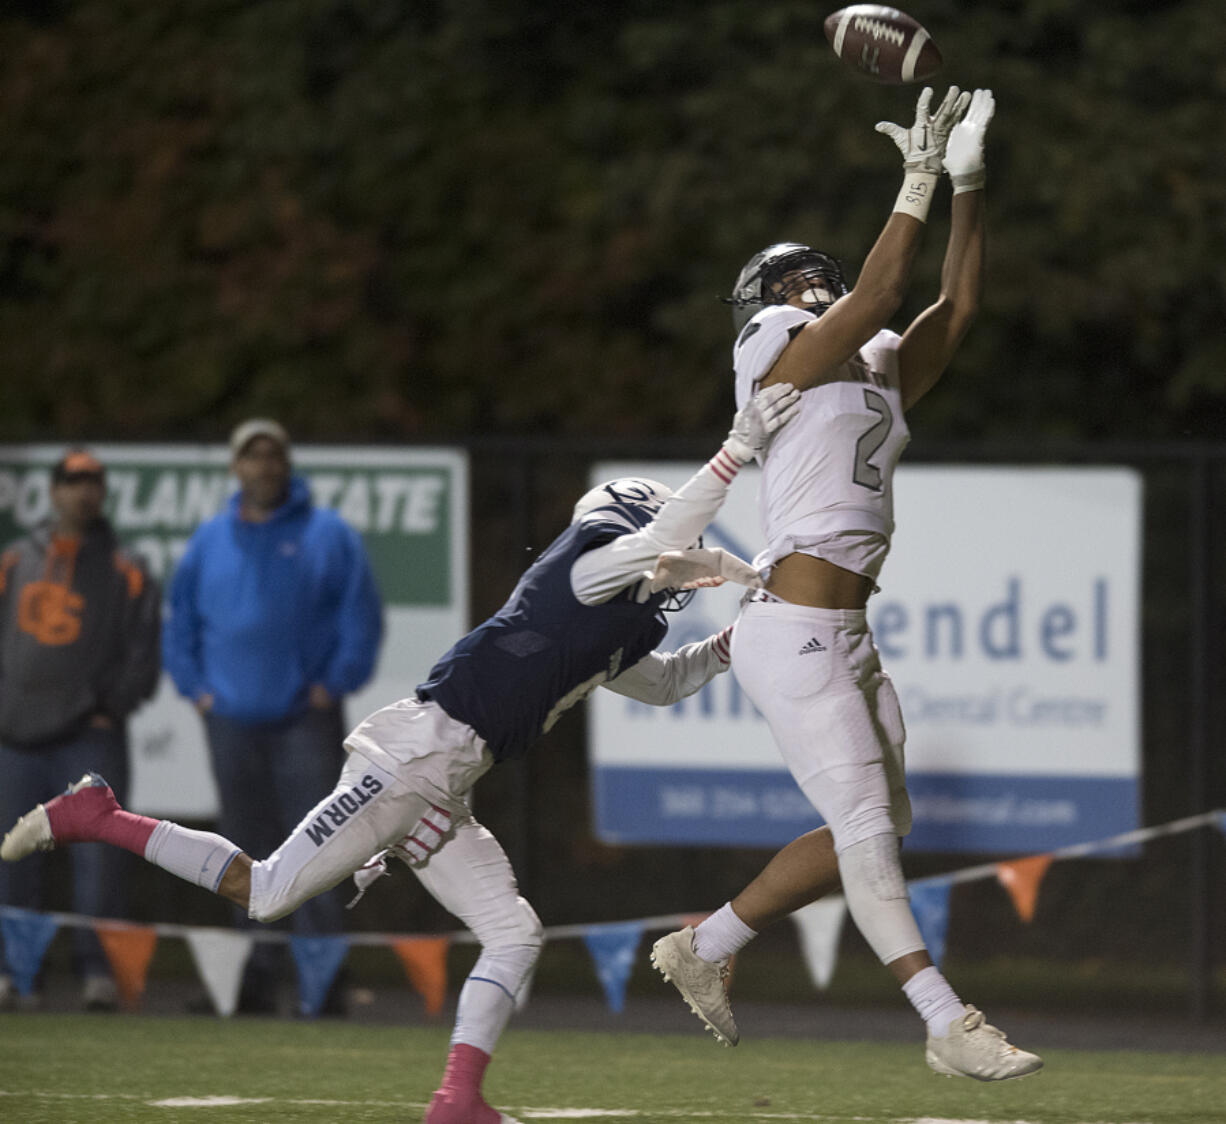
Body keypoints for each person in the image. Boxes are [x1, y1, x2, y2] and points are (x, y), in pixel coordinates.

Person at [1, 383, 801, 1124]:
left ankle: (459, 1098)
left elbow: (665, 683)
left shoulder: (618, 618)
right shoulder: (590, 570)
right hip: (414, 756)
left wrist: (737, 638)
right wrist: (736, 450)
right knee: (270, 891)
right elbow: (665, 539)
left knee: (515, 935)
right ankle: (96, 815)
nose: (682, 563)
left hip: (448, 778)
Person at [651, 88, 1043, 1082]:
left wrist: (965, 184)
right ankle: (943, 1019)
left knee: (870, 826)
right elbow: (874, 297)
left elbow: (949, 310)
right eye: (796, 283)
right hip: (789, 627)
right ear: (771, 297)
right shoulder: (766, 352)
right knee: (868, 830)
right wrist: (910, 180)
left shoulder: (864, 360)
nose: (810, 288)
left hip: (842, 630)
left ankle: (702, 945)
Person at [162, 418, 384, 1014]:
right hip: (229, 719)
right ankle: (250, 980)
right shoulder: (210, 540)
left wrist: (332, 686)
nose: (263, 467)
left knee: (320, 844)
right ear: (235, 467)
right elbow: (180, 624)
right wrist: (196, 690)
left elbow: (359, 620)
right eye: (252, 457)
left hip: (302, 721)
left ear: (287, 465)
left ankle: (323, 982)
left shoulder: (328, 534)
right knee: (240, 850)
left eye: (273, 457)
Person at [0, 449, 160, 1012]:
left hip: (88, 736)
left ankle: (97, 971)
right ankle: (18, 972)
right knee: (13, 856)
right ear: (53, 492)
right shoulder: (14, 560)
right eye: (72, 481)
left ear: (103, 493)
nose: (83, 491)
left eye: (93, 482)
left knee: (100, 860)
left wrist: (109, 706)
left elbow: (143, 650)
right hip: (14, 736)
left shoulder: (127, 565)